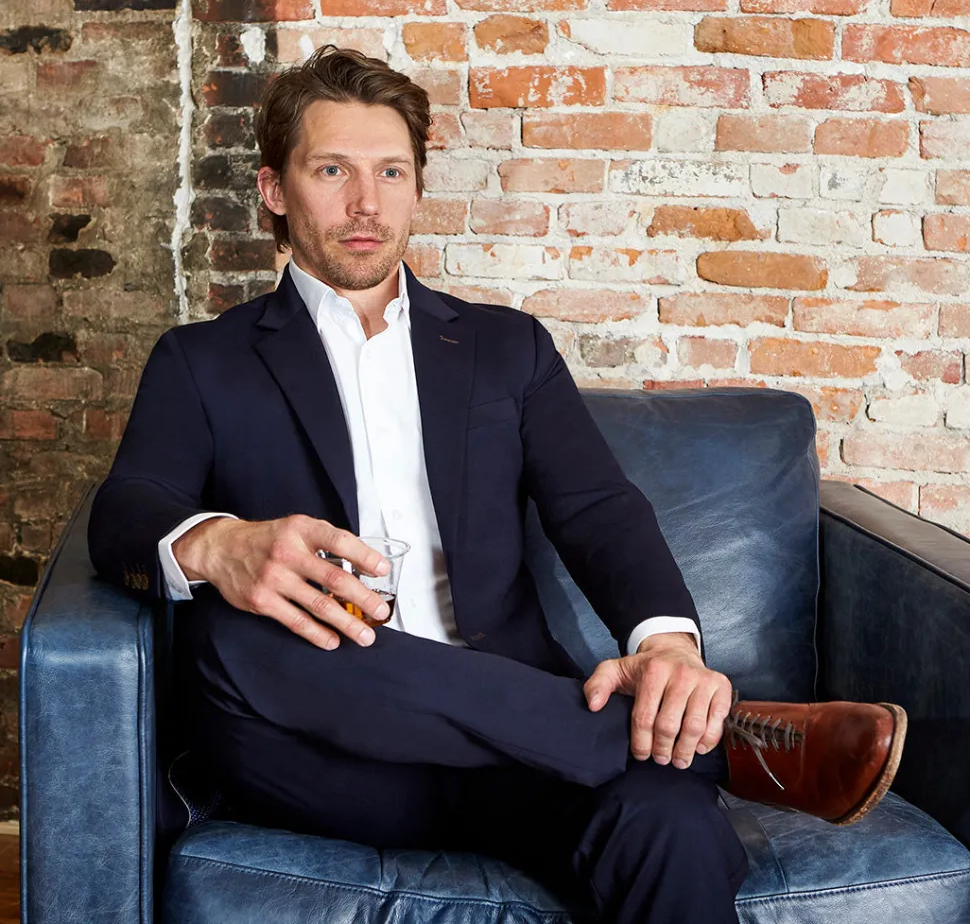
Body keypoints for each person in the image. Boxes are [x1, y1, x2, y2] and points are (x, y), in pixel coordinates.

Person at [87, 46, 903, 924]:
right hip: (318, 752)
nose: (366, 203)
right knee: (232, 635)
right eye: (332, 170)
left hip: (518, 758)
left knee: (671, 822)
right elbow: (123, 514)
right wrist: (221, 546)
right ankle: (719, 747)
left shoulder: (505, 348)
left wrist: (669, 649)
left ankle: (657, 748)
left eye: (390, 172)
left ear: (416, 188)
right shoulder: (203, 360)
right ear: (274, 190)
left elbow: (597, 510)